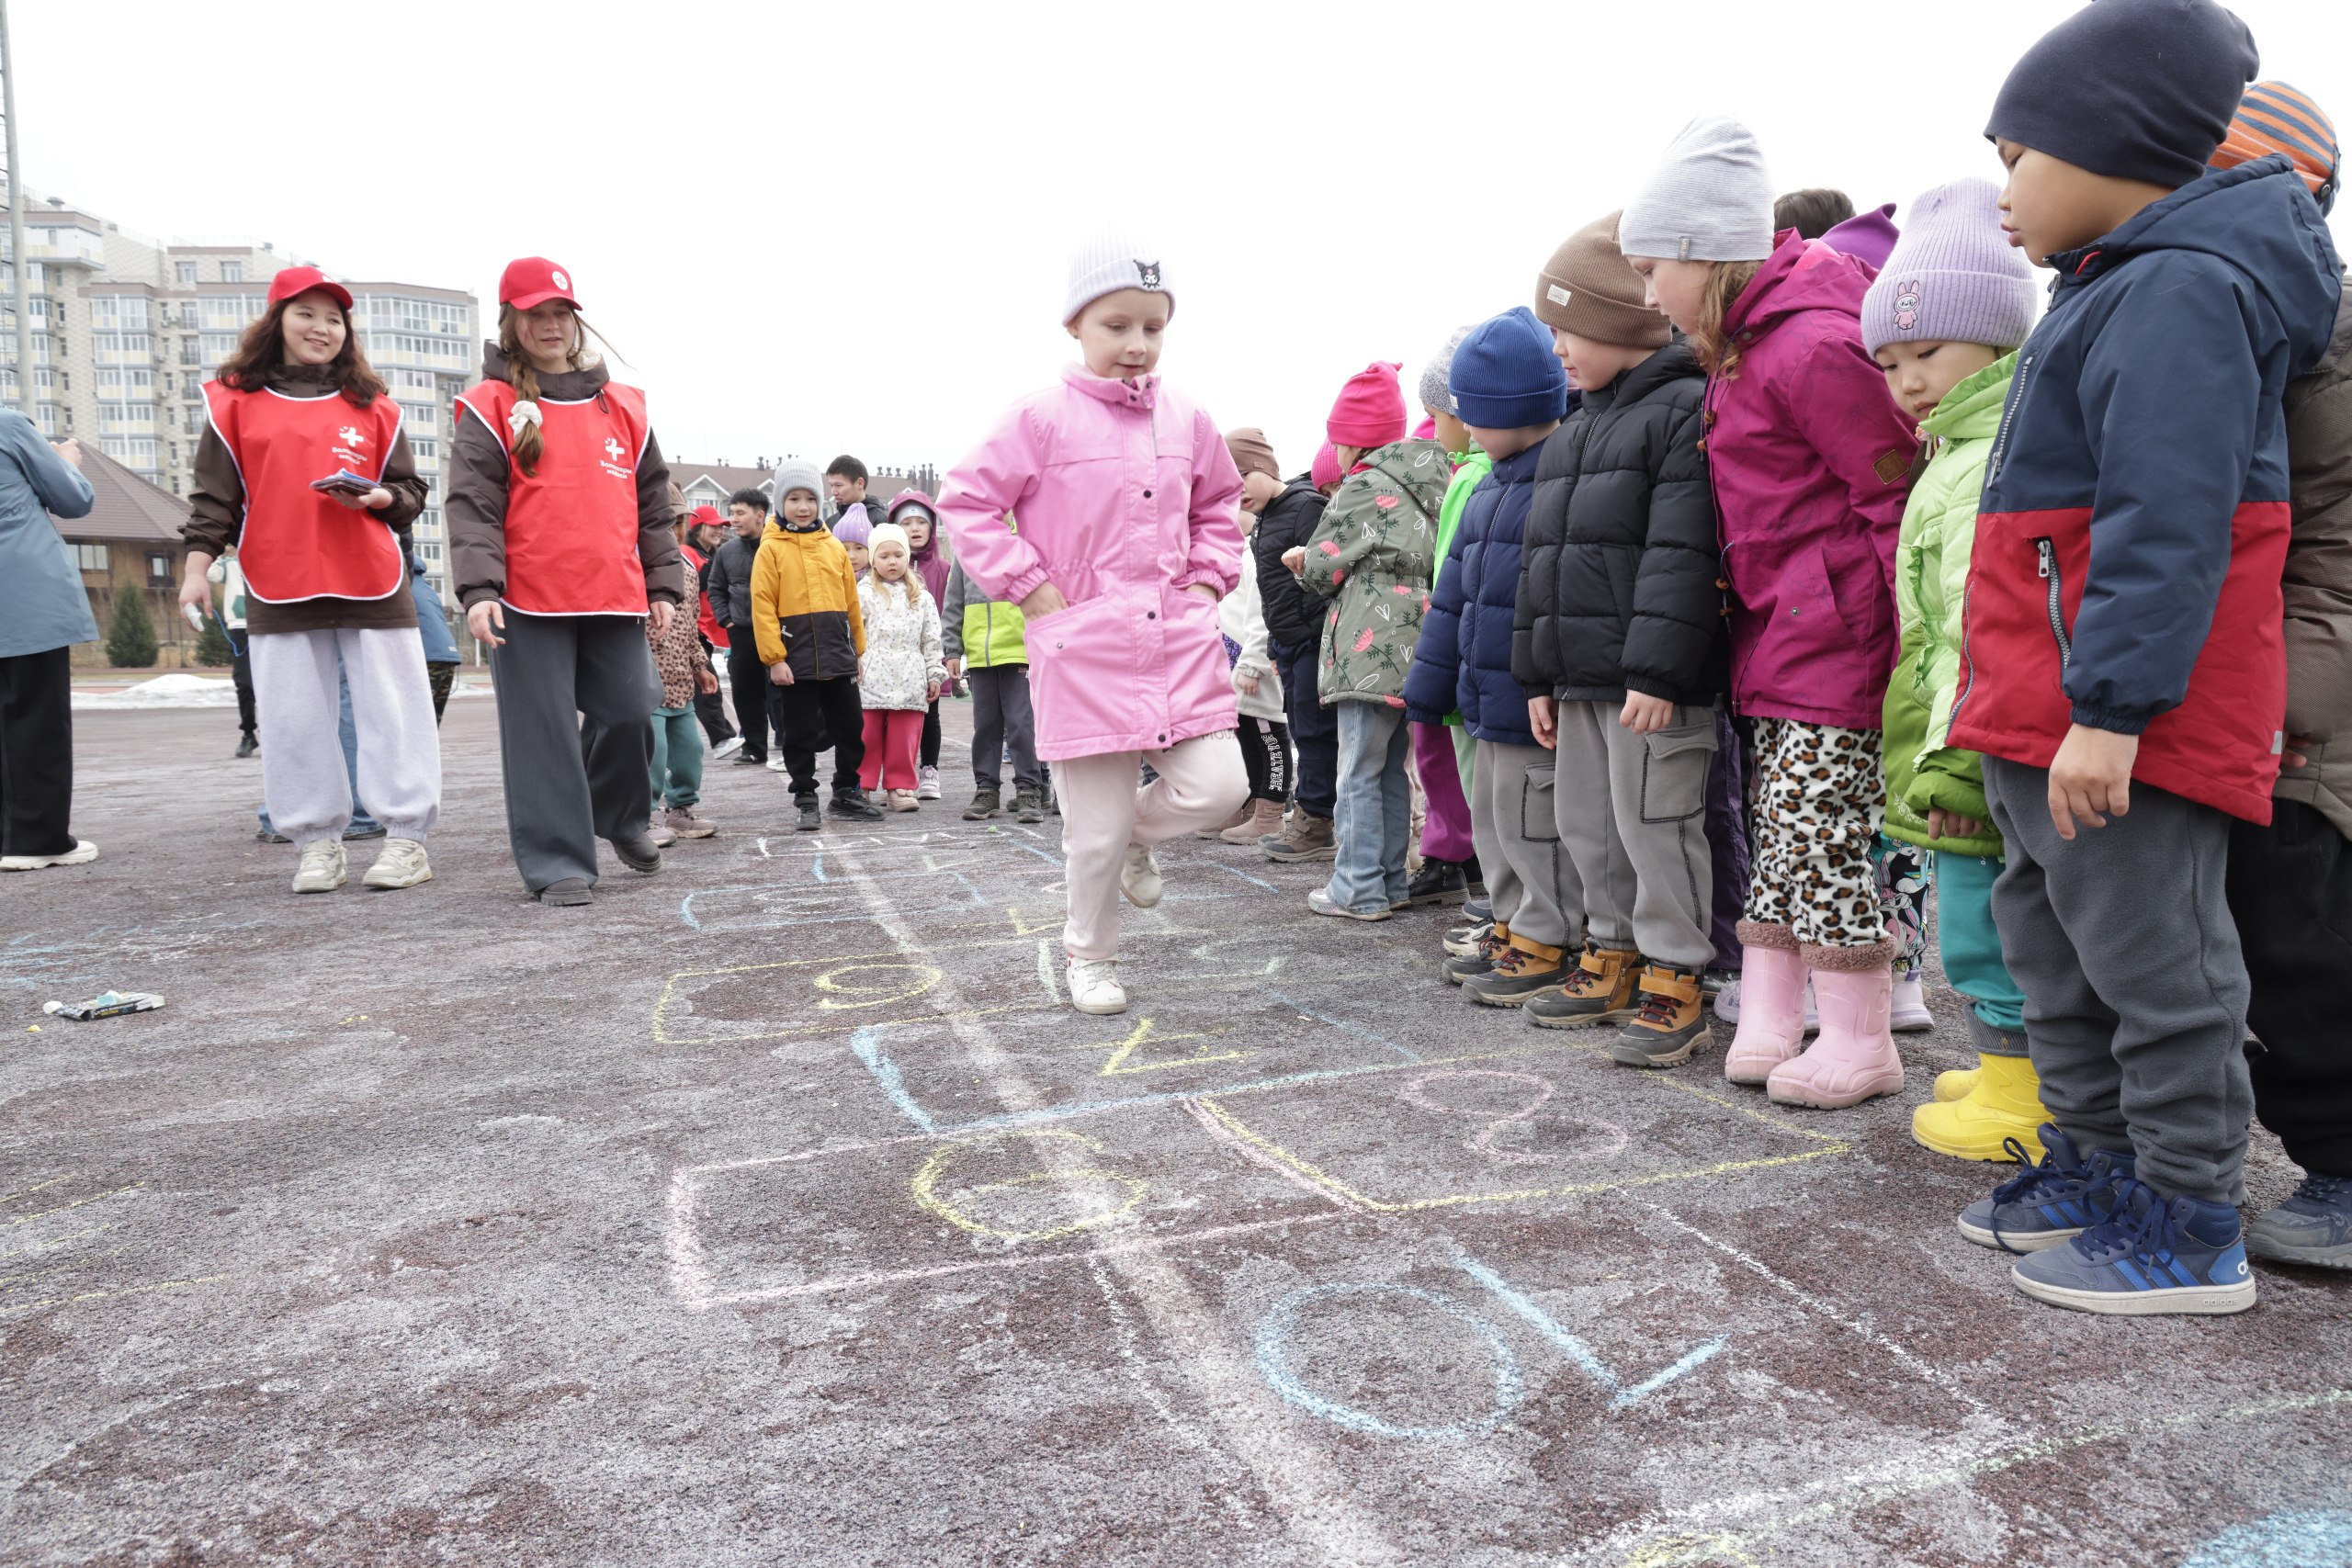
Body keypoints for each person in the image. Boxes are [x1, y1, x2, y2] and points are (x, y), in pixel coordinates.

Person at [1949, 0, 2339, 1315]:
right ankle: (2102, 1165)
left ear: (2118, 147)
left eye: (2018, 158)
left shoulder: (2183, 286)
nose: (2001, 192)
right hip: (2045, 705)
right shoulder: (2111, 280)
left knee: (2156, 961)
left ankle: (2185, 1219)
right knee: (2055, 949)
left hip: (2124, 715)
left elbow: (2172, 520)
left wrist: (2112, 709)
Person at [1620, 116, 1918, 1107]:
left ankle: (1859, 1036)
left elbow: (1889, 498)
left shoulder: (1809, 347)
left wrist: (1906, 642)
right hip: (1780, 635)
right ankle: (1772, 1011)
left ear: (1704, 257)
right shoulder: (1742, 350)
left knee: (1823, 830)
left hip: (1837, 638)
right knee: (1780, 831)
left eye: (1653, 266)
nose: (1646, 292)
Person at [937, 231, 1250, 1016]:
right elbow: (967, 503)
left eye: (1153, 327)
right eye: (1118, 325)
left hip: (1177, 640)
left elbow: (1220, 504)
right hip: (1084, 648)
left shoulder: (1188, 418)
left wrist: (1209, 581)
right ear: (1076, 324)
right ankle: (1090, 955)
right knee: (1094, 832)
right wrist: (1029, 586)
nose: (1138, 345)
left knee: (1222, 788)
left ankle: (1142, 838)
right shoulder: (1039, 418)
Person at [1855, 179, 2042, 1155]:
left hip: (1985, 744)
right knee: (1980, 919)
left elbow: (1985, 626)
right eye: (1888, 363)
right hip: (1962, 732)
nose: (1908, 379)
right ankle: (2011, 1069)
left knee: (1994, 926)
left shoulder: (1987, 457)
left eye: (1926, 351)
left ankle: (2028, 1098)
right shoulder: (1951, 454)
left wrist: (1960, 761)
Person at [1515, 211, 1724, 1066]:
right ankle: (1609, 948)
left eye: (1567, 327)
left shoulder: (1680, 412)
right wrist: (1538, 672)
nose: (1558, 347)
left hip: (1649, 684)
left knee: (1657, 824)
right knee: (1589, 822)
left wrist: (1659, 670)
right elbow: (1542, 565)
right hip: (1580, 677)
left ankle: (1676, 971)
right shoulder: (1572, 431)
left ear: (1617, 322)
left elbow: (1684, 549)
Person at [2210, 84, 2352, 1271]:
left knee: (2304, 932)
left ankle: (2345, 1163)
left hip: (2312, 681)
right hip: (2273, 664)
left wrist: (2295, 692)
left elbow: (2319, 538)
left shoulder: (2323, 338)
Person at [177, 265, 439, 895]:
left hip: (371, 577)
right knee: (294, 716)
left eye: (334, 317)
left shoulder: (375, 406)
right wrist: (195, 571)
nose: (322, 328)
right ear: (277, 321)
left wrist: (379, 497)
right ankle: (317, 842)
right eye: (306, 314)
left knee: (392, 710)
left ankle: (406, 837)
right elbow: (215, 500)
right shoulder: (232, 402)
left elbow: (410, 492)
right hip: (277, 575)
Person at [450, 256, 679, 907]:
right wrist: (478, 591)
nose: (549, 325)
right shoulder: (489, 405)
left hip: (612, 591)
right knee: (543, 731)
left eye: (560, 313)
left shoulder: (625, 407)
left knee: (634, 708)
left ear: (576, 321)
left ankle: (619, 815)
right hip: (524, 601)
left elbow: (655, 504)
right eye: (534, 314)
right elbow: (472, 506)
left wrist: (663, 586)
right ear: (511, 321)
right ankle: (558, 861)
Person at [1403, 311, 1572, 997]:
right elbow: (1454, 596)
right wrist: (1430, 686)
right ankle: (1510, 922)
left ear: (1514, 407)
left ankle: (1546, 935)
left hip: (1527, 696)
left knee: (1536, 825)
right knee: (1495, 819)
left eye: (1475, 412)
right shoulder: (1487, 487)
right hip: (1482, 692)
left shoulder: (1554, 483)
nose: (1465, 426)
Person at [1295, 361, 1451, 923]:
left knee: (1359, 765)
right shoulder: (1437, 475)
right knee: (1389, 765)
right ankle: (1389, 878)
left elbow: (1320, 568)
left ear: (1351, 441)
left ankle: (1357, 885)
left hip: (1371, 645)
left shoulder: (1363, 486)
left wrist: (1301, 562)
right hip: (1423, 637)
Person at [752, 458, 879, 831]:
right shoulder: (770, 549)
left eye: (810, 498)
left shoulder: (833, 547)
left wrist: (857, 648)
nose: (803, 506)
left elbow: (850, 602)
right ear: (780, 502)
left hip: (838, 655)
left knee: (851, 728)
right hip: (796, 659)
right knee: (801, 732)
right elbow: (761, 606)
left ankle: (846, 790)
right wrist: (775, 658)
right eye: (794, 498)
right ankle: (805, 795)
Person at [1405, 326, 1484, 907]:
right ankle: (1461, 856)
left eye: (1438, 415)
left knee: (1459, 757)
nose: (1432, 430)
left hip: (1459, 641)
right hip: (1461, 637)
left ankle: (1465, 860)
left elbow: (1453, 571)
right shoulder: (1466, 468)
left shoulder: (1469, 476)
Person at [0, 423, 96, 872]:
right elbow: (73, 500)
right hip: (22, 594)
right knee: (37, 716)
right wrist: (64, 461)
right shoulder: (8, 426)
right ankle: (36, 840)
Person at [1203, 428, 1292, 846]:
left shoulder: (1257, 557)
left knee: (1269, 734)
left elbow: (1263, 615)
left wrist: (1254, 662)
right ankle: (1246, 804)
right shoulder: (1229, 556)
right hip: (1234, 664)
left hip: (1255, 665)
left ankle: (1271, 811)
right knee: (1244, 735)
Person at [1249, 435, 1335, 863]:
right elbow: (1271, 591)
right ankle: (1311, 815)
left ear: (1268, 467)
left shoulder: (1306, 507)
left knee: (1316, 732)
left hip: (1313, 641)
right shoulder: (1264, 518)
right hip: (1286, 642)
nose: (1240, 488)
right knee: (1302, 727)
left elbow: (1323, 579)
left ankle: (1317, 822)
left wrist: (1309, 637)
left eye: (1245, 474)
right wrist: (1272, 642)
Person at [941, 547, 1041, 822]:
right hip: (979, 656)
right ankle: (987, 789)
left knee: (1021, 724)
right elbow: (953, 603)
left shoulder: (1022, 544)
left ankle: (1028, 789)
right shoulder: (965, 551)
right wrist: (952, 650)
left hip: (1019, 651)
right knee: (985, 726)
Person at [855, 521, 946, 811]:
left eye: (898, 554)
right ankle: (861, 787)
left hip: (910, 678)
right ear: (873, 559)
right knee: (866, 735)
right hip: (871, 678)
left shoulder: (921, 597)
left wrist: (934, 673)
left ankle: (899, 788)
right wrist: (852, 663)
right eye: (884, 556)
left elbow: (931, 640)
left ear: (907, 556)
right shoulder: (863, 593)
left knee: (904, 738)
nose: (892, 561)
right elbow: (852, 632)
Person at [649, 486, 720, 843]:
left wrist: (700, 666)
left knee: (689, 750)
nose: (673, 529)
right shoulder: (634, 563)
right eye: (665, 522)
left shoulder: (688, 567)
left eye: (677, 523)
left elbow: (690, 624)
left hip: (680, 681)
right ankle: (642, 818)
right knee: (652, 751)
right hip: (646, 680)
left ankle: (680, 811)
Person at [705, 488, 775, 766]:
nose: (733, 519)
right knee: (746, 692)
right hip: (742, 632)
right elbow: (715, 588)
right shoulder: (727, 551)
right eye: (731, 512)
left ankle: (788, 744)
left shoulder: (776, 547)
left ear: (760, 515)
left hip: (775, 631)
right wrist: (727, 619)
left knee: (782, 691)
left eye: (739, 513)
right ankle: (755, 748)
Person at [888, 490, 951, 799]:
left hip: (927, 654)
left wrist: (944, 656)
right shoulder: (888, 569)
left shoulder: (942, 569)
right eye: (907, 522)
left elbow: (949, 611)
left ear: (931, 527)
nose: (914, 528)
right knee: (896, 714)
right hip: (892, 658)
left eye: (921, 522)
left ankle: (930, 770)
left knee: (931, 713)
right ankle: (900, 770)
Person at [678, 502, 739, 756]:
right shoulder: (686, 551)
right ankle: (721, 738)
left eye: (722, 527)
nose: (719, 531)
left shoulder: (710, 554)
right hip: (692, 630)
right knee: (707, 685)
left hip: (704, 629)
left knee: (704, 685)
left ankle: (725, 736)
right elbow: (693, 586)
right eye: (713, 526)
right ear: (697, 527)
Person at [206, 550, 257, 756]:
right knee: (244, 682)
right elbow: (211, 574)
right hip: (239, 627)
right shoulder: (230, 564)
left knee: (272, 683)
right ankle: (248, 734)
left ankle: (275, 733)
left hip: (268, 624)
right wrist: (219, 553)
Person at [411, 554, 461, 723]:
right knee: (431, 724)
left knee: (415, 723)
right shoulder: (425, 586)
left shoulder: (402, 583)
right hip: (447, 656)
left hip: (426, 656)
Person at [833, 511, 872, 578]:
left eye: (859, 548)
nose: (851, 556)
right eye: (845, 549)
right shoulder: (831, 577)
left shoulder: (882, 579)